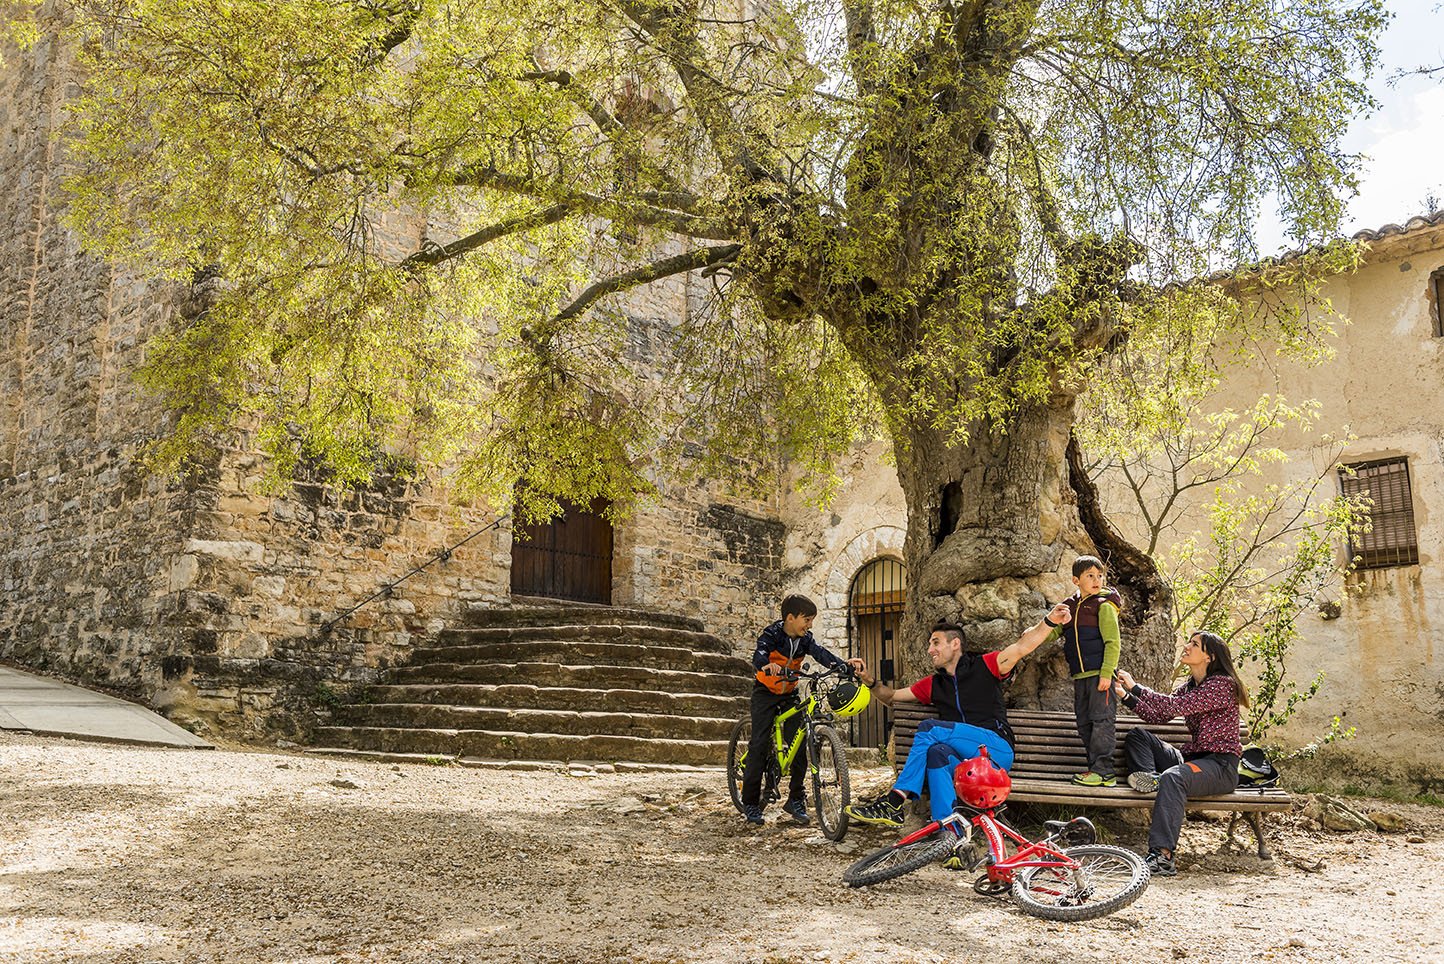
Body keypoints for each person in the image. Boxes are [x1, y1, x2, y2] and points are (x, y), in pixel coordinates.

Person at [843, 607, 1071, 847]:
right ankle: (951, 839)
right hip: (965, 764)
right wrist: (868, 679)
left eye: (935, 643)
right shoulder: (934, 684)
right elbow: (890, 697)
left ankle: (893, 801)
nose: (930, 650)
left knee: (931, 729)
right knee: (936, 754)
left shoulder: (986, 665)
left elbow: (1024, 646)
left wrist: (1050, 620)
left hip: (995, 751)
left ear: (955, 644)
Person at [1114, 630, 1251, 877]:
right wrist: (1125, 695)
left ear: (1209, 656)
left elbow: (1172, 706)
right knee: (1138, 735)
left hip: (1219, 767)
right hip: (1191, 761)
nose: (1186, 646)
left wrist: (1136, 686)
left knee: (1174, 777)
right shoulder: (1189, 686)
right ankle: (1152, 777)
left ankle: (1163, 857)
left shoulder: (1222, 685)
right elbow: (1158, 716)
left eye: (1194, 644)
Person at [740, 594, 865, 827]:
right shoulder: (772, 634)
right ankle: (750, 803)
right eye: (806, 620)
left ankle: (796, 799)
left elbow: (821, 654)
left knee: (800, 746)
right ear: (790, 618)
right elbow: (759, 654)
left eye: (811, 621)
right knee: (758, 744)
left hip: (789, 694)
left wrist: (843, 666)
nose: (809, 625)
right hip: (765, 694)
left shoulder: (805, 639)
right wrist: (766, 665)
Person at [1042, 555, 1124, 787]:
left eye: (1099, 575)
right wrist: (1035, 633)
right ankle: (1095, 769)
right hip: (1080, 675)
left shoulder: (1104, 605)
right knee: (1084, 722)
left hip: (1100, 673)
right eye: (1090, 575)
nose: (1097, 580)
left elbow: (1112, 642)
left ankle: (1104, 771)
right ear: (1076, 580)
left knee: (1102, 720)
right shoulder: (1070, 606)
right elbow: (1054, 633)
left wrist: (1107, 673)